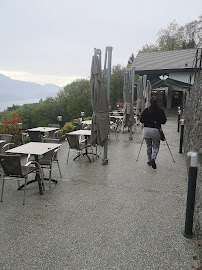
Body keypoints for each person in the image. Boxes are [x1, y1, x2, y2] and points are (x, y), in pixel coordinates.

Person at [140, 97, 167, 169]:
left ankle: (149, 160)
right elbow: (164, 121)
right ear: (157, 102)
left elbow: (141, 120)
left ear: (150, 102)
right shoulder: (161, 110)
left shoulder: (146, 110)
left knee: (148, 146)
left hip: (146, 131)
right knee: (155, 146)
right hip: (155, 130)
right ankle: (153, 158)